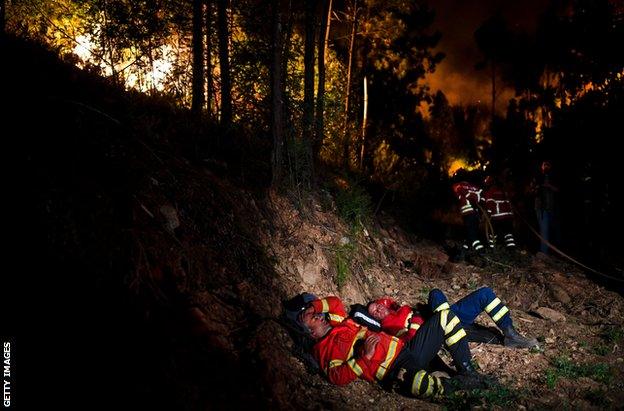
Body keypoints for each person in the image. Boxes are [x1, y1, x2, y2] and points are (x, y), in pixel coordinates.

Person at [295, 294, 489, 399]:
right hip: (393, 369)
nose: (319, 316)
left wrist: (313, 307)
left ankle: (468, 370)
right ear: (311, 333)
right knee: (416, 381)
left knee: (445, 317)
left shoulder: (339, 323)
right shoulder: (323, 350)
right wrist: (365, 358)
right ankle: (455, 387)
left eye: (316, 313)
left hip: (406, 350)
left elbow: (335, 302)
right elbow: (336, 377)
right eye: (313, 318)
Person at [367, 287, 538, 349]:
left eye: (377, 305)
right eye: (374, 312)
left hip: (450, 315)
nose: (378, 309)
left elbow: (387, 301)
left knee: (484, 294)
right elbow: (411, 339)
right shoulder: (388, 326)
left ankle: (510, 333)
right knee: (434, 295)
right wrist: (419, 319)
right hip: (437, 327)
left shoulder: (397, 309)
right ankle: (452, 326)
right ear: (375, 318)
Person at [451, 170, 485, 258]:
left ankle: (481, 252)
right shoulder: (475, 187)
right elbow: (481, 197)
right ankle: (462, 253)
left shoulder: (458, 185)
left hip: (468, 213)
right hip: (476, 214)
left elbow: (458, 190)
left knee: (471, 234)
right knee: (468, 234)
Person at [482, 175, 517, 251]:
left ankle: (492, 249)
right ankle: (511, 249)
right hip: (508, 216)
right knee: (508, 233)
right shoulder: (503, 190)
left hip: (497, 216)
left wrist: (488, 214)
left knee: (493, 234)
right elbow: (509, 202)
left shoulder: (490, 192)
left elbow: (489, 203)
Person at [533, 160, 559, 254]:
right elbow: (533, 190)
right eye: (544, 165)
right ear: (541, 166)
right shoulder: (538, 177)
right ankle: (544, 254)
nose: (546, 166)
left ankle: (551, 253)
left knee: (553, 231)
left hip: (552, 208)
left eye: (548, 164)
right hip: (541, 208)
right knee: (544, 231)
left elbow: (558, 190)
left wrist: (549, 185)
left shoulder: (554, 177)